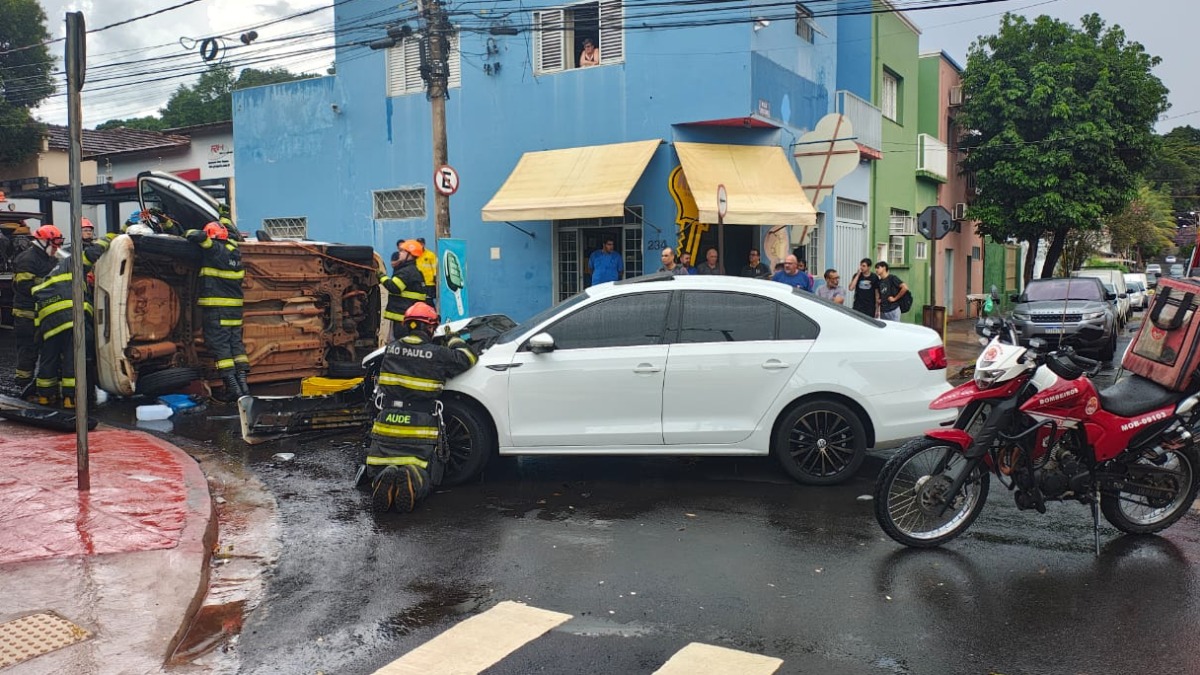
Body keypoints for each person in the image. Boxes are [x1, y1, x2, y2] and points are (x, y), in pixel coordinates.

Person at [363, 302, 477, 513]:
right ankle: (412, 478)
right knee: (424, 470)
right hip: (419, 426)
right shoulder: (437, 354)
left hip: (387, 423)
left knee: (380, 463)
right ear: (430, 328)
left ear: (407, 325)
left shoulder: (390, 350)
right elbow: (468, 357)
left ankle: (382, 478)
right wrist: (452, 338)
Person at [32, 235, 110, 408]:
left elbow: (38, 312)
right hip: (70, 320)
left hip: (49, 324)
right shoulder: (74, 264)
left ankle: (45, 397)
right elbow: (92, 253)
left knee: (48, 358)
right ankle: (71, 399)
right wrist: (110, 237)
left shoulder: (52, 275)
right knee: (72, 358)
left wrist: (40, 333)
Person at [186, 222, 250, 399]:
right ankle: (243, 387)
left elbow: (194, 234)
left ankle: (233, 389)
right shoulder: (234, 251)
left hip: (218, 309)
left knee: (220, 348)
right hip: (234, 310)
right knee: (236, 346)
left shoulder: (215, 249)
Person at [12, 226, 62, 396]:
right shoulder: (27, 259)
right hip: (27, 315)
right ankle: (23, 384)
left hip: (45, 313)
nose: (57, 248)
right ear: (43, 241)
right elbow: (24, 286)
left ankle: (46, 386)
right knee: (28, 350)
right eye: (55, 244)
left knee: (49, 349)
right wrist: (50, 288)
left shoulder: (51, 257)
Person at [381, 239, 429, 339]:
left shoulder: (406, 272)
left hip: (403, 317)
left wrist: (381, 276)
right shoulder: (411, 270)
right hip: (407, 317)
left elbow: (394, 287)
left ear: (410, 254)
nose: (400, 253)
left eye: (402, 251)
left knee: (402, 342)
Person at [415, 237, 438, 302]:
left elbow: (435, 266)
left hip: (429, 283)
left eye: (421, 244)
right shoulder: (414, 255)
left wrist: (435, 276)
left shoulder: (430, 255)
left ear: (424, 244)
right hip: (418, 283)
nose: (420, 245)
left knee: (429, 301)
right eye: (418, 244)